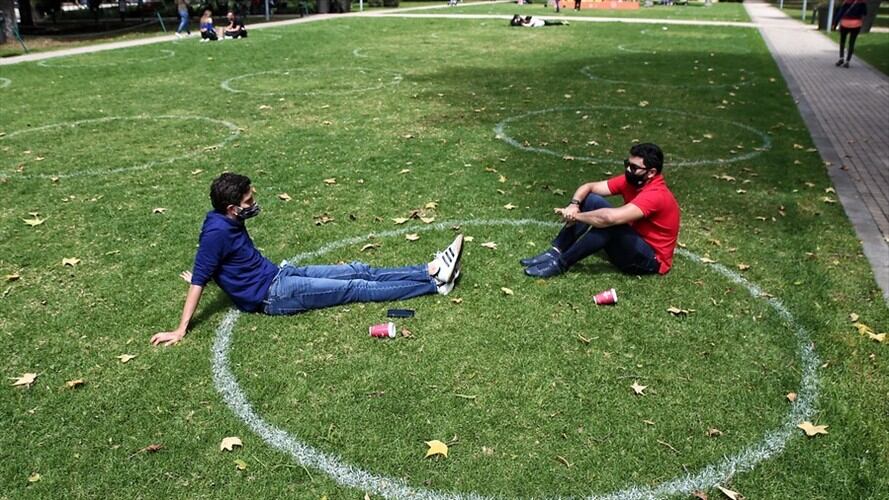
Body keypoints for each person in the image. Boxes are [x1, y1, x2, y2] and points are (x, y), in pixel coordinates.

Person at [150, 173, 464, 346]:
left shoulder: (223, 217)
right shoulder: (217, 232)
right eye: (249, 200)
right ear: (232, 208)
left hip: (280, 275)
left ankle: (431, 268)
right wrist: (181, 328)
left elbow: (211, 266)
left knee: (359, 269)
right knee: (355, 286)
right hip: (273, 296)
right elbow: (201, 275)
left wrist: (206, 273)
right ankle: (435, 285)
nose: (254, 203)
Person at [521, 143, 680, 278]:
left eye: (633, 167)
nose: (628, 170)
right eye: (627, 164)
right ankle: (555, 251)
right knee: (592, 199)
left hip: (650, 261)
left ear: (651, 172)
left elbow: (609, 219)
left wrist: (577, 216)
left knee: (610, 225)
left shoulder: (656, 195)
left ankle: (560, 264)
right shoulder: (633, 181)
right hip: (632, 244)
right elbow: (589, 187)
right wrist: (574, 204)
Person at [832, 0, 867, 68]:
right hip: (856, 24)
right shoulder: (862, 2)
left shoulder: (846, 2)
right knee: (852, 42)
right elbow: (865, 13)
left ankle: (841, 58)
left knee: (842, 41)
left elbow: (840, 13)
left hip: (845, 23)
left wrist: (835, 24)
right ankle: (848, 61)